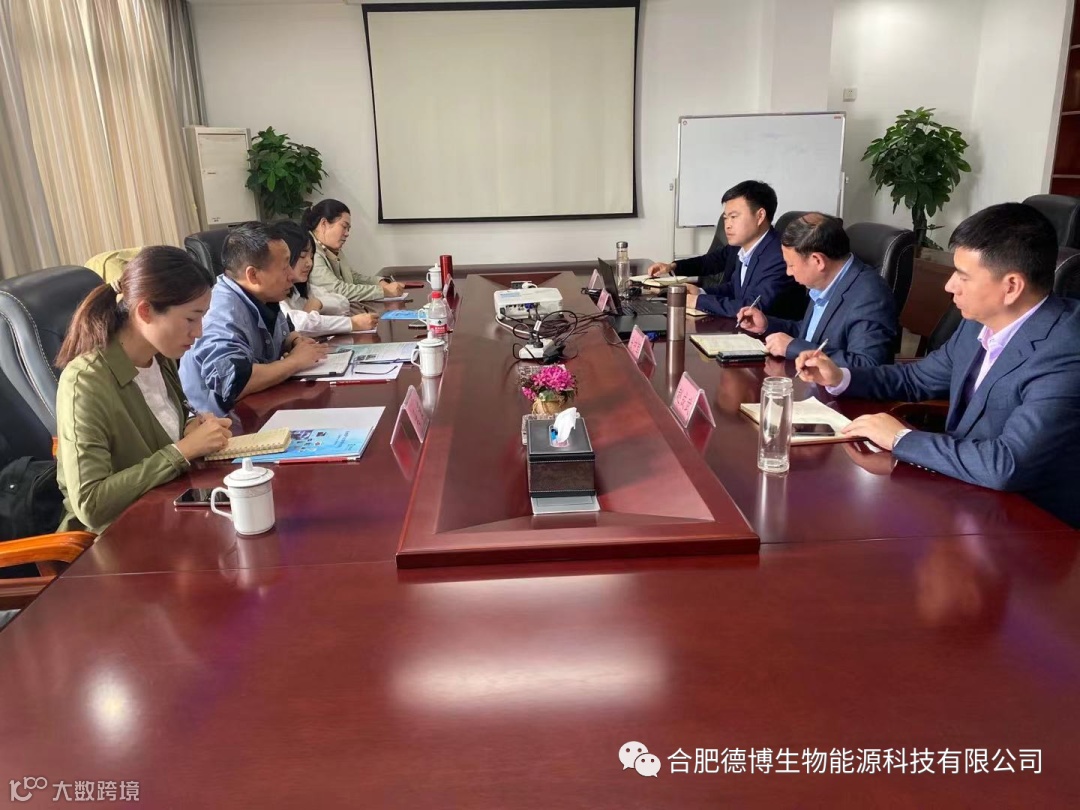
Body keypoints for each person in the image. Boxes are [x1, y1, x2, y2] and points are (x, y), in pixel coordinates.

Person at [797, 203, 1080, 528]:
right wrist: (841, 377)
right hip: (966, 493)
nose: (950, 286)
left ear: (1011, 286)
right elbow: (916, 378)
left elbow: (1007, 464)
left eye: (963, 276)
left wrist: (901, 438)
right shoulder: (978, 323)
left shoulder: (1066, 350)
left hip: (1033, 526)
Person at [54, 247, 233, 534]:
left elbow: (164, 423)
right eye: (191, 319)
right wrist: (183, 450)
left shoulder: (159, 356)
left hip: (172, 513)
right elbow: (91, 504)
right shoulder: (85, 382)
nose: (199, 332)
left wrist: (191, 427)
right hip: (120, 537)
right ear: (145, 311)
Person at [180, 222, 329, 417]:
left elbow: (283, 333)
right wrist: (295, 362)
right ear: (253, 275)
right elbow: (234, 383)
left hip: (262, 407)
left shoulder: (263, 296)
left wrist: (295, 341)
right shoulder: (221, 313)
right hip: (224, 423)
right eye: (285, 267)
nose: (292, 275)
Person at [736, 213, 897, 368]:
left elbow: (868, 365)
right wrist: (767, 324)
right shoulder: (827, 281)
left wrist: (793, 347)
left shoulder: (870, 296)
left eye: (791, 265)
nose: (788, 272)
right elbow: (813, 333)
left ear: (818, 261)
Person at [646, 180, 804, 318]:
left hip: (769, 338)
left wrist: (698, 301)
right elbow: (734, 289)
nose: (727, 225)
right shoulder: (744, 248)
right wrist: (700, 292)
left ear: (760, 216)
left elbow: (754, 307)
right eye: (726, 218)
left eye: (734, 217)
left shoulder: (779, 256)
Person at [276, 221, 378, 336]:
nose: (309, 263)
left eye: (311, 257)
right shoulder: (275, 295)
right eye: (302, 256)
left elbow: (343, 302)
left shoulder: (301, 288)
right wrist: (352, 323)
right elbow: (299, 324)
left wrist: (318, 302)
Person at [303, 199, 405, 304]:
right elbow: (337, 290)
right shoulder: (310, 251)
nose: (347, 233)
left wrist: (379, 282)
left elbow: (352, 278)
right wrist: (384, 291)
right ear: (324, 224)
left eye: (348, 229)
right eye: (344, 227)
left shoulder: (332, 248)